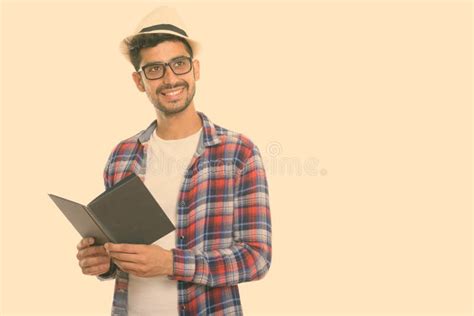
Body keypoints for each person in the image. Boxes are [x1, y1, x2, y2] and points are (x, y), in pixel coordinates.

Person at [75, 6, 271, 316]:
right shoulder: (121, 156)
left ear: (195, 69)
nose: (169, 78)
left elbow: (256, 258)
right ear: (139, 81)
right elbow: (119, 252)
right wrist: (103, 262)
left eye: (178, 64)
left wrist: (171, 263)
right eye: (154, 69)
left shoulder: (238, 153)